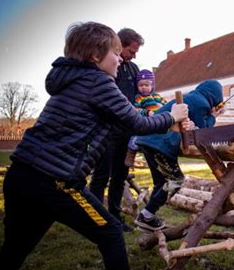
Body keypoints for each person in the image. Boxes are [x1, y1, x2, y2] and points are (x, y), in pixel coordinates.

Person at [0, 22, 191, 270]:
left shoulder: (74, 80)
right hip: (54, 182)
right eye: (115, 53)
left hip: (21, 176)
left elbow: (127, 114)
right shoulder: (97, 81)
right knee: (110, 233)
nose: (120, 59)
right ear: (95, 56)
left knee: (13, 254)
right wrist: (172, 115)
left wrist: (168, 117)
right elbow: (137, 123)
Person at [134, 80, 224, 231]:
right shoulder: (201, 103)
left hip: (147, 140)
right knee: (176, 180)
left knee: (161, 182)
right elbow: (201, 132)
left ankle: (147, 216)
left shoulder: (192, 97)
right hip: (160, 144)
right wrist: (213, 116)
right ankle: (146, 215)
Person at [89, 28, 145, 232]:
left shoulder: (134, 69)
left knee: (120, 177)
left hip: (126, 132)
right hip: (106, 132)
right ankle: (94, 219)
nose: (134, 55)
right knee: (101, 176)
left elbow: (143, 95)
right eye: (132, 50)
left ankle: (114, 218)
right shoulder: (106, 65)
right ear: (119, 45)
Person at [124, 69, 167, 167]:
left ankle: (158, 158)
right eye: (140, 85)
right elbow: (136, 109)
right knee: (136, 136)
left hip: (158, 123)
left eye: (146, 85)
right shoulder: (139, 98)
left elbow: (166, 105)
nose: (143, 87)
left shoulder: (157, 96)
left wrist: (162, 106)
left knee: (156, 142)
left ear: (152, 85)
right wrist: (147, 112)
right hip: (145, 122)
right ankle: (131, 153)